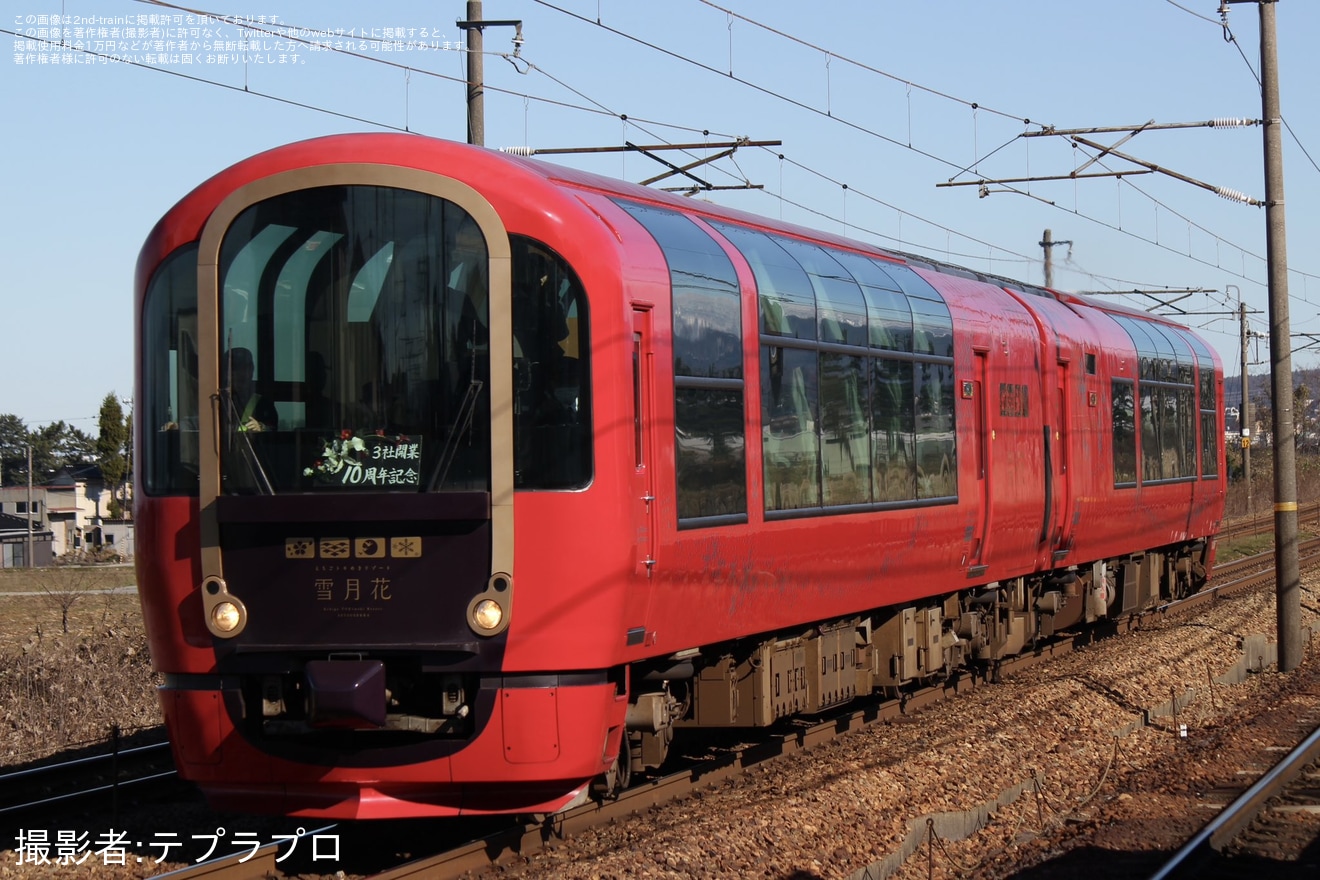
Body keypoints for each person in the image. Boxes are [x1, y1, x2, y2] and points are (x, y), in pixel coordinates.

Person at [223, 347, 278, 432]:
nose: (242, 373)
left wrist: (261, 427)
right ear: (227, 373)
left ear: (252, 370)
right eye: (236, 369)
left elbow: (273, 432)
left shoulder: (263, 404)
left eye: (246, 368)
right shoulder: (219, 400)